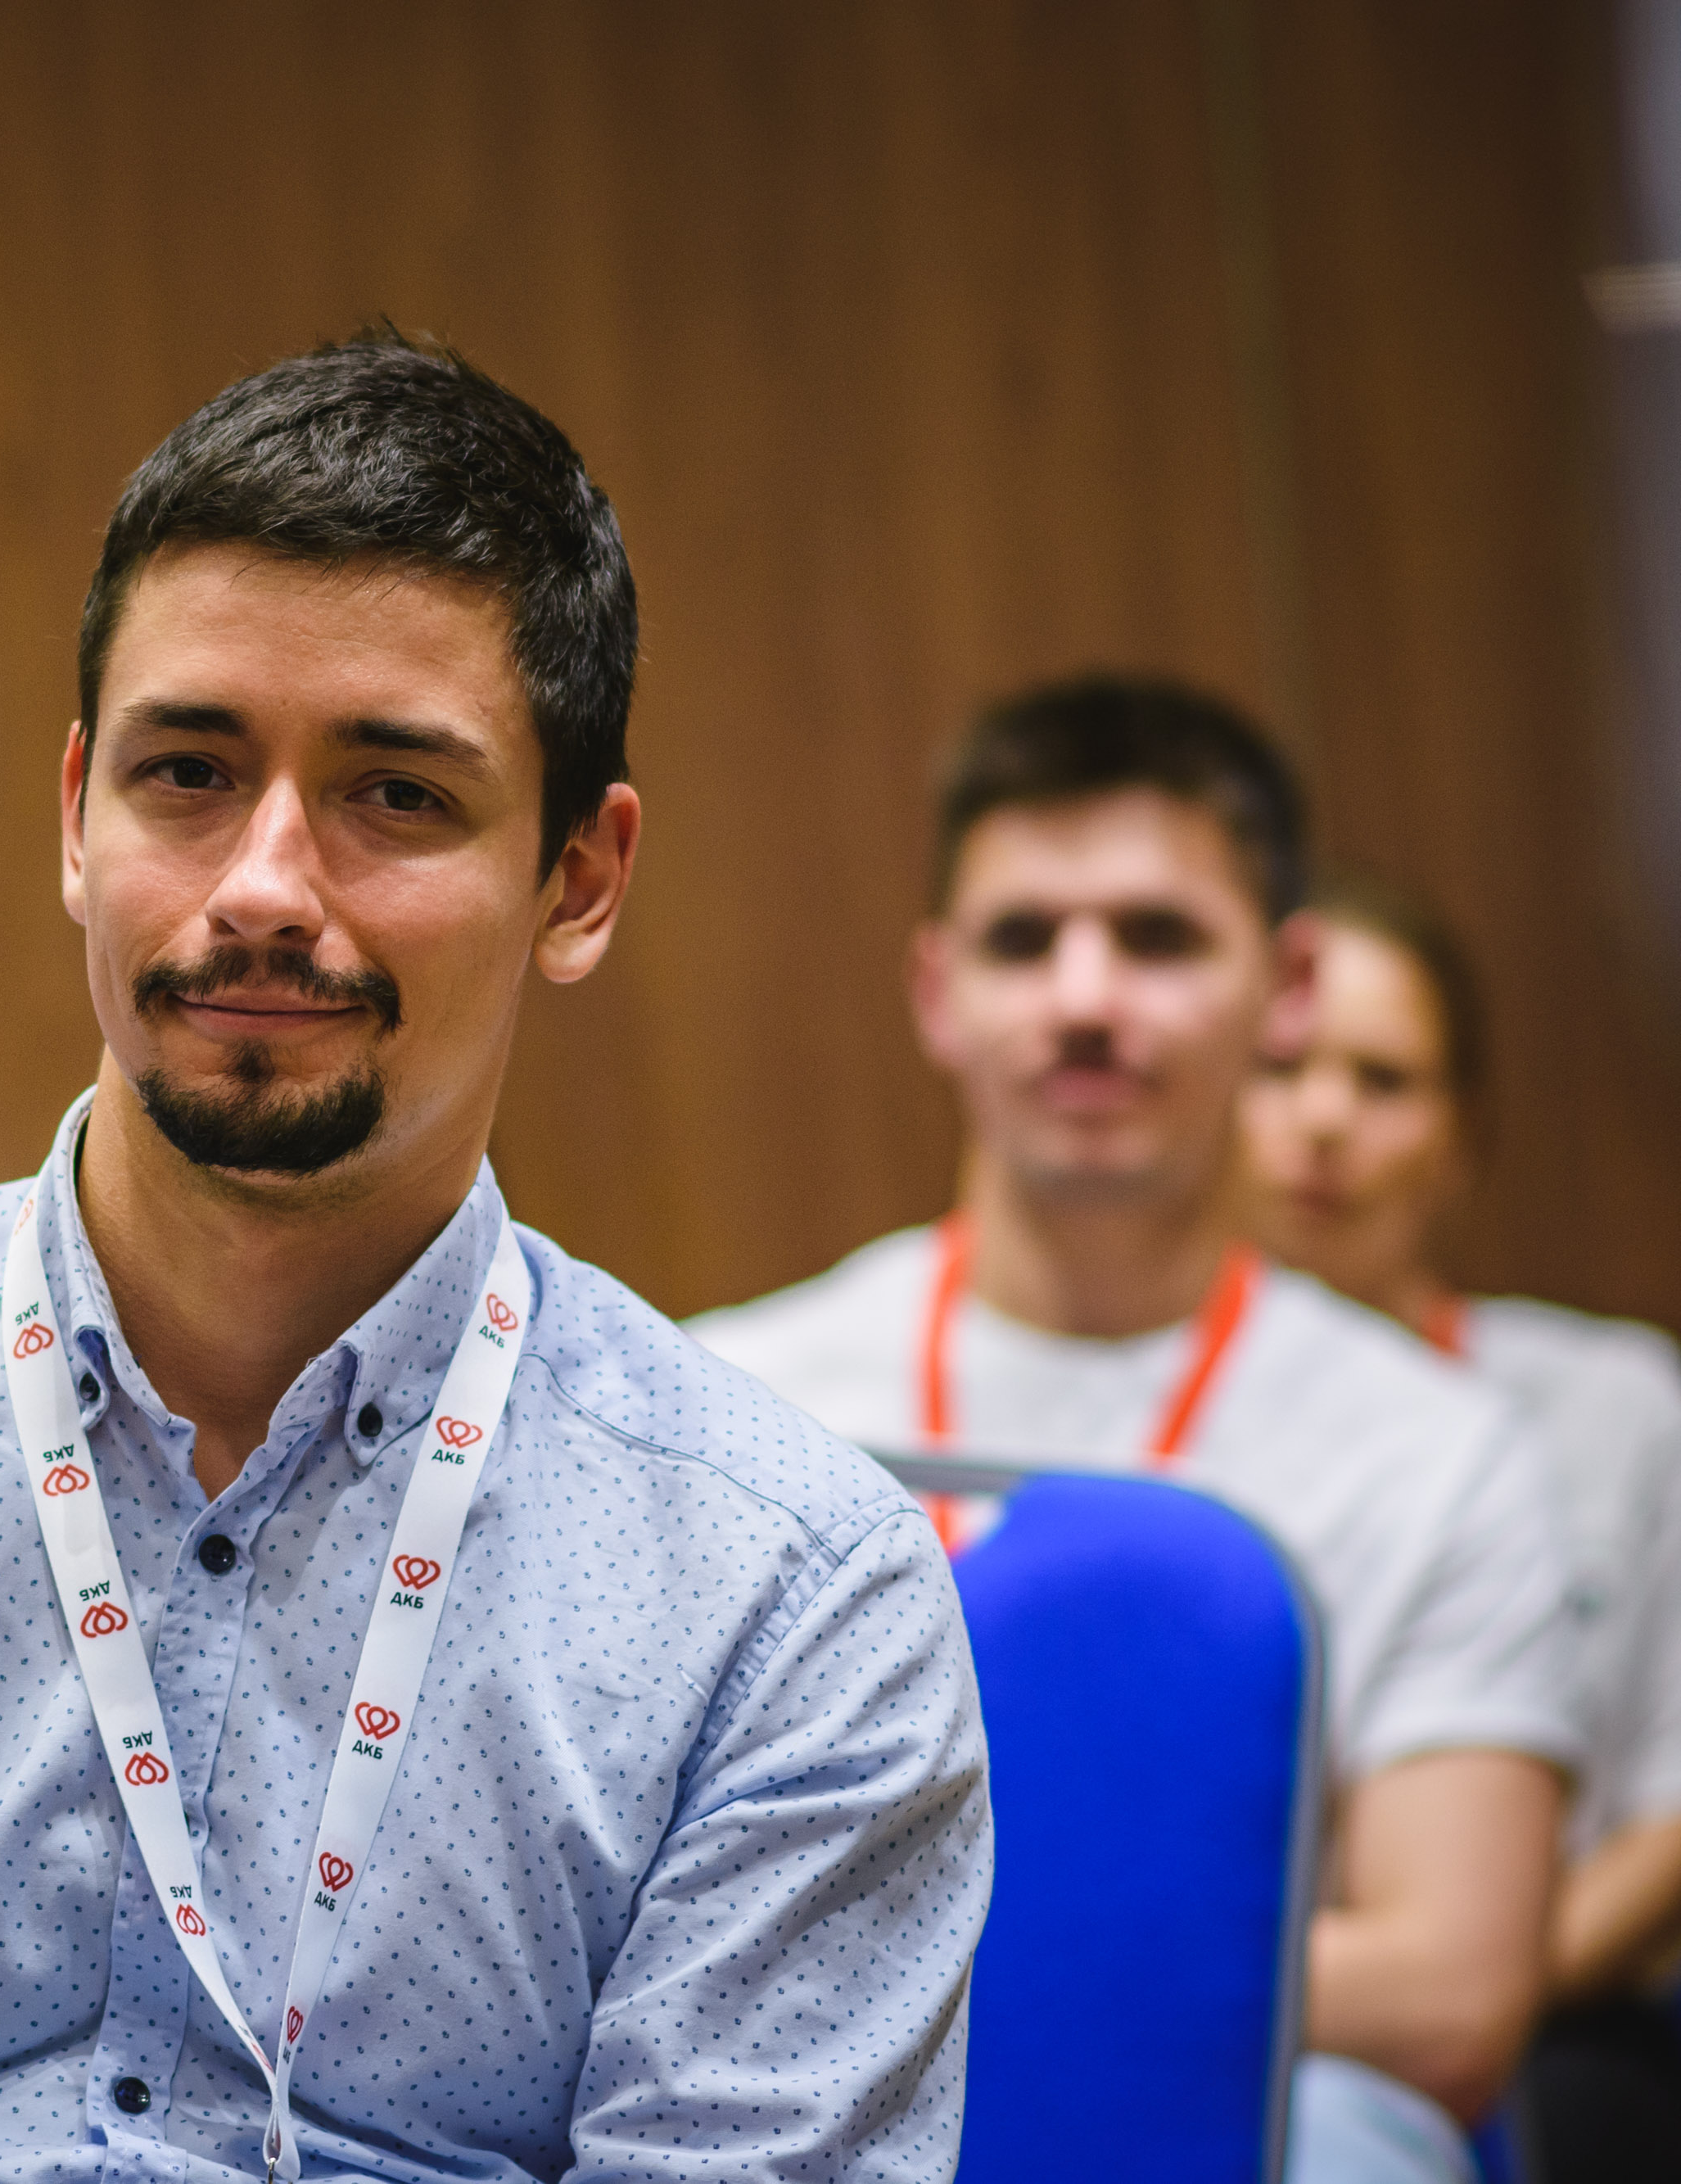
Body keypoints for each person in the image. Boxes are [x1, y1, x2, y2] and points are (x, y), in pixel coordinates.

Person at [0, 328, 994, 2182]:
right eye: (188, 773)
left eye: (396, 795)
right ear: (75, 814)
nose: (266, 884)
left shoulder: (787, 1603)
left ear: (580, 877)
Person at [691, 676, 1583, 2184]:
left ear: (1288, 985)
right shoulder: (730, 1402)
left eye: (1159, 937)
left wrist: (911, 1965)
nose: (1086, 998)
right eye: (1023, 939)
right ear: (936, 990)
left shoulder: (1440, 1449)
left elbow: (1449, 1999)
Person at [1243, 874, 1681, 2182]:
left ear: (1461, 1136)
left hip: (1564, 2021)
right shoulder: (1161, 1426)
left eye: (1383, 1080)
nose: (1325, 1120)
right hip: (1257, 2015)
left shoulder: (1613, 1406)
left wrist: (1478, 1974)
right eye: (1282, 1070)